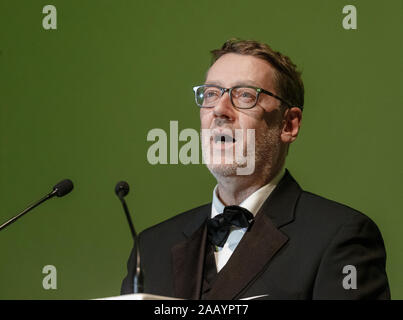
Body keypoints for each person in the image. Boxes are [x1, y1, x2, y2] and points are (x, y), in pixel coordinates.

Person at [121, 39, 390, 299]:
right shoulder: (151, 247)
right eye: (211, 94)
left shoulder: (340, 237)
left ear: (289, 125)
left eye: (245, 95)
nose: (219, 110)